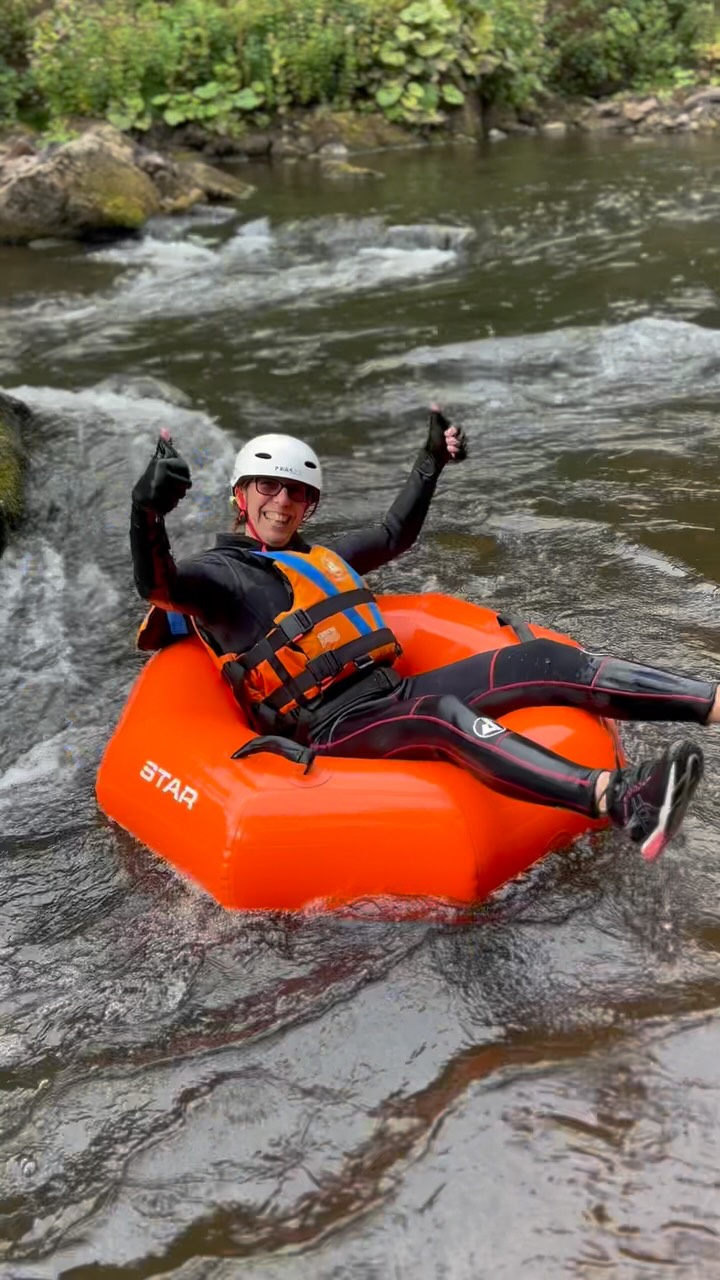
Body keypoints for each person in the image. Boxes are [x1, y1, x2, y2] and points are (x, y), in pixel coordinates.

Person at [131, 409, 711, 863]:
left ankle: (711, 704)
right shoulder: (217, 578)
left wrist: (430, 460)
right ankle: (621, 801)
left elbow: (393, 532)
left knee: (541, 657)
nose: (281, 502)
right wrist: (147, 511)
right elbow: (159, 584)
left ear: (309, 506)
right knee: (443, 714)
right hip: (331, 728)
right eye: (267, 487)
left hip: (389, 695)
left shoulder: (322, 557)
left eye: (296, 493)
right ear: (242, 495)